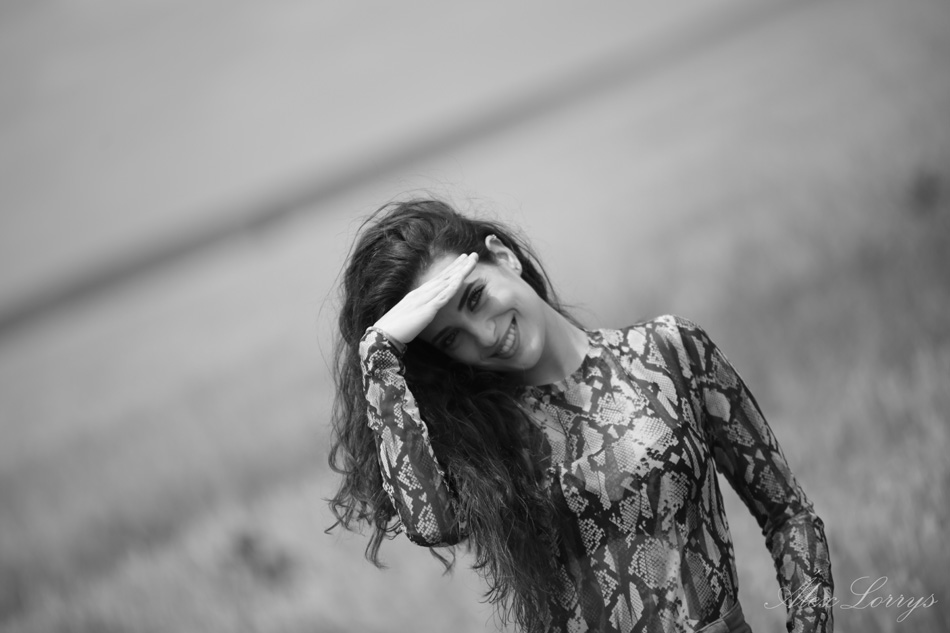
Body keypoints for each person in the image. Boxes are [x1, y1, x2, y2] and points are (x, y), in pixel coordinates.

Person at [327, 199, 834, 633]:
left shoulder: (669, 352)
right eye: (451, 337)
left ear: (503, 257)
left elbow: (788, 515)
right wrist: (380, 356)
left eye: (475, 298)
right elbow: (431, 524)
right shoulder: (485, 439)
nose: (484, 334)